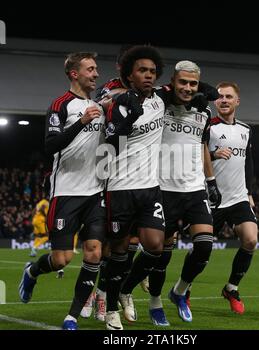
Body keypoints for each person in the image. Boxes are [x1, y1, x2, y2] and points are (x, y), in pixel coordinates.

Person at [18, 52, 107, 330]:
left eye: (96, 69)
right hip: (66, 191)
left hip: (95, 192)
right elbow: (51, 146)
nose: (95, 74)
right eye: (90, 69)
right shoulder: (60, 105)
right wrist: (81, 123)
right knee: (62, 260)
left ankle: (72, 315)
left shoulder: (99, 107)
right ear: (74, 74)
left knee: (94, 253)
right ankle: (32, 270)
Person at [147, 60, 220, 325]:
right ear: (173, 82)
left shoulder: (204, 113)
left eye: (193, 84)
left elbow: (202, 147)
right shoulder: (159, 104)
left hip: (194, 188)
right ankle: (154, 302)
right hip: (164, 189)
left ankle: (179, 291)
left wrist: (211, 182)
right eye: (183, 82)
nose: (188, 88)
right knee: (160, 255)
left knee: (204, 247)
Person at [103, 45, 168, 330]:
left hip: (150, 187)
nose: (148, 76)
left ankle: (125, 291)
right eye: (142, 70)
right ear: (129, 75)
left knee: (155, 246)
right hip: (120, 187)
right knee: (117, 253)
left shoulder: (161, 101)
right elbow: (113, 140)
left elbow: (188, 83)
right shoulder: (117, 103)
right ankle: (110, 309)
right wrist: (125, 110)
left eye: (152, 71)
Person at [208, 81, 258, 314]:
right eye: (220, 97)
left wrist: (249, 193)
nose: (224, 100)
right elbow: (192, 157)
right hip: (213, 199)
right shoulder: (207, 127)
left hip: (238, 198)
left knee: (250, 240)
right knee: (201, 250)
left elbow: (248, 164)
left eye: (229, 96)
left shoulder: (245, 130)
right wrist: (213, 154)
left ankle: (231, 288)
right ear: (215, 101)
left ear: (237, 101)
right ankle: (183, 290)